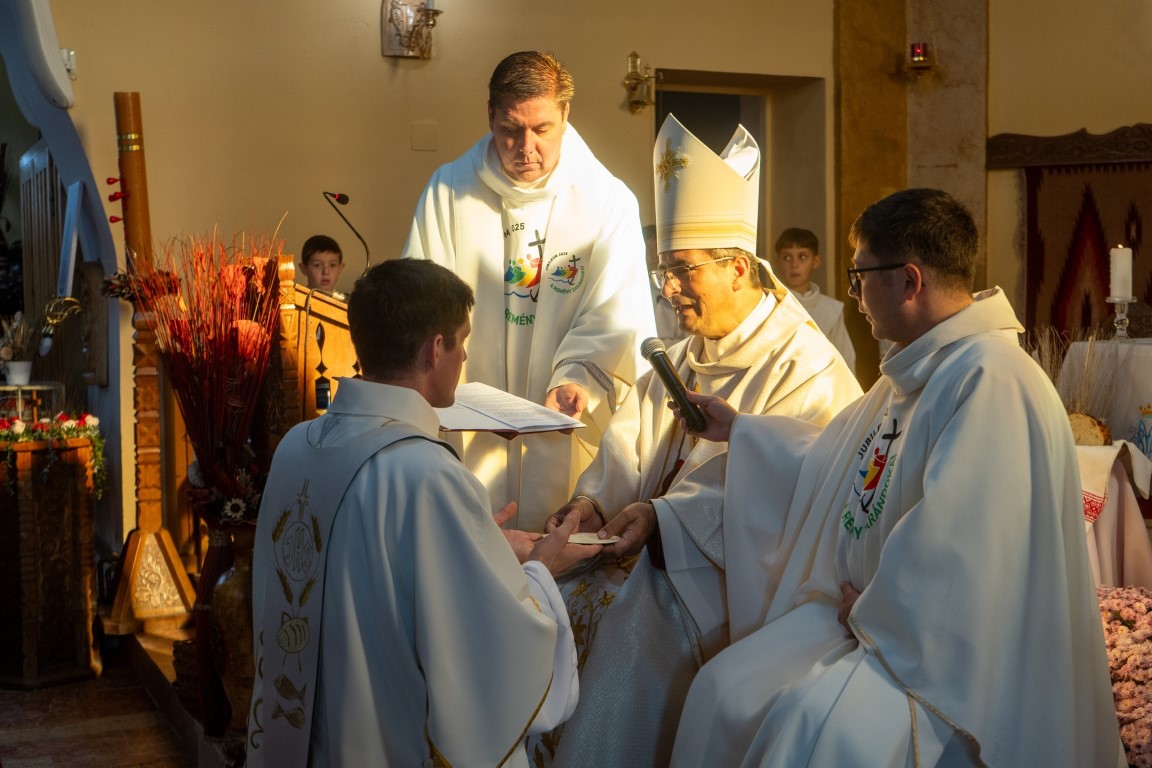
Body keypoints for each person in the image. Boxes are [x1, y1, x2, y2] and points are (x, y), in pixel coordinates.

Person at [669, 188, 1122, 767]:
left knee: (812, 731)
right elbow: (834, 461)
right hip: (868, 619)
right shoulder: (915, 369)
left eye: (859, 277)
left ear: (909, 281)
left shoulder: (991, 380)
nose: (854, 296)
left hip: (939, 652)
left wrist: (878, 608)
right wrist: (743, 431)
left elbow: (962, 548)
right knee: (722, 687)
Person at [539, 115, 861, 768]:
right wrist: (595, 502)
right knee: (551, 597)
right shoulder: (687, 353)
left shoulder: (805, 367)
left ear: (738, 268)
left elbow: (795, 490)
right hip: (653, 547)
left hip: (736, 577)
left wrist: (662, 519)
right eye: (664, 271)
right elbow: (631, 440)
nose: (669, 290)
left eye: (684, 271)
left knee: (635, 624)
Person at [246, 259, 585, 767]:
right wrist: (540, 569)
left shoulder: (297, 445)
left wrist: (470, 548)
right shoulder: (427, 473)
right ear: (434, 348)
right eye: (461, 341)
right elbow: (492, 649)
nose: (464, 355)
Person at [402, 50, 655, 532]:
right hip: (465, 416)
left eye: (542, 129)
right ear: (490, 116)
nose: (526, 148)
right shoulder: (447, 191)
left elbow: (616, 312)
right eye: (510, 130)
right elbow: (418, 306)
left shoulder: (608, 201)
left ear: (565, 115)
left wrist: (576, 377)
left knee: (552, 542)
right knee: (467, 536)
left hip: (560, 418)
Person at [772, 227, 856, 371]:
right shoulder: (769, 305)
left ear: (815, 261)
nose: (794, 265)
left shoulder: (831, 309)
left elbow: (845, 359)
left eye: (802, 257)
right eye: (787, 257)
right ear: (778, 263)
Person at [644, 222, 686, 345]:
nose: (653, 255)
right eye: (648, 249)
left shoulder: (680, 287)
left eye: (656, 248)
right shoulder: (638, 292)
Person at [298, 234, 345, 298]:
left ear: (341, 268)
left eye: (332, 265)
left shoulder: (346, 303)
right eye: (317, 265)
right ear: (304, 268)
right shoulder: (296, 300)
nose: (326, 272)